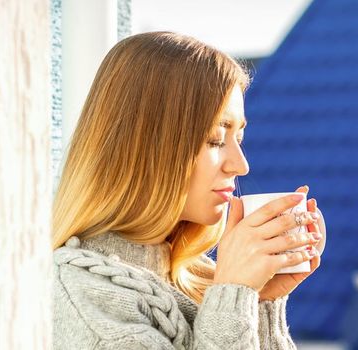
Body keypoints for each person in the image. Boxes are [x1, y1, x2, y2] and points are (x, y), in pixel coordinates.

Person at [51, 31, 327, 349]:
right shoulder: (81, 299)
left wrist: (261, 301)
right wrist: (234, 293)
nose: (240, 165)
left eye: (238, 139)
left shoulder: (203, 281)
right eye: (214, 139)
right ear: (146, 146)